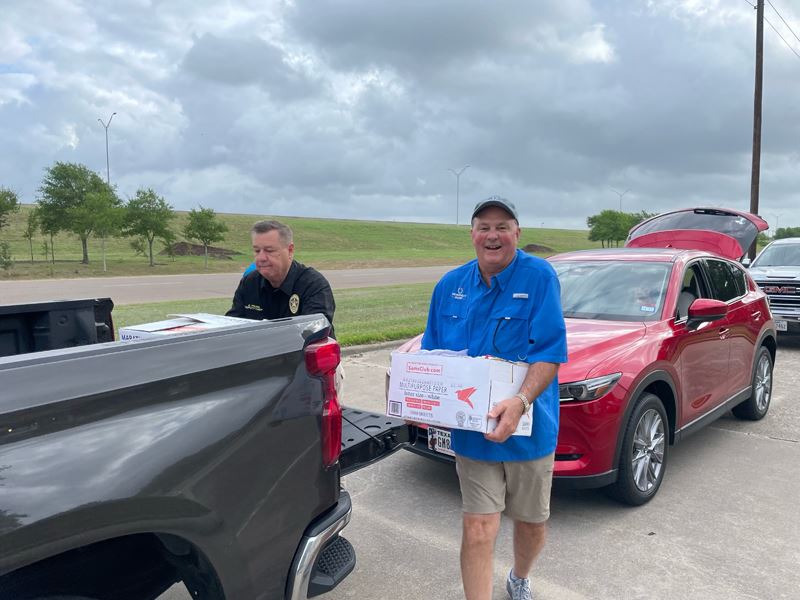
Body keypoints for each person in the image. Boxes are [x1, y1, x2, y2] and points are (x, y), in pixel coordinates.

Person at [421, 196, 567, 600]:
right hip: (473, 432)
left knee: (531, 523)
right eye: (484, 227)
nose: (493, 235)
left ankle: (520, 575)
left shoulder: (539, 277)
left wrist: (519, 400)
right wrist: (416, 392)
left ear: (517, 234)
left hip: (529, 429)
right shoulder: (450, 286)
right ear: (472, 235)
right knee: (478, 526)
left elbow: (550, 352)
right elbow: (433, 356)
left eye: (502, 226)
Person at [227, 219, 336, 338]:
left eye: (269, 251)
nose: (261, 257)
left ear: (290, 251)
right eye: (257, 250)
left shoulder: (313, 285)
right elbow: (231, 325)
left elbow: (315, 332)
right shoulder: (249, 283)